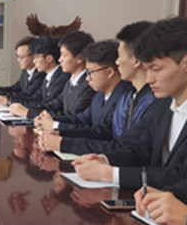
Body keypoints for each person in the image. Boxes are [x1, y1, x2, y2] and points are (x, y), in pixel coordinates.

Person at [73, 16, 187, 189]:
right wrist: (105, 159)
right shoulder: (163, 103)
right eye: (146, 69)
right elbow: (140, 149)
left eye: (156, 69)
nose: (149, 79)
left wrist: (110, 174)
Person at [40, 21, 155, 153]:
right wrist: (59, 131)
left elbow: (125, 146)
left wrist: (64, 142)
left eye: (120, 57)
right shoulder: (127, 97)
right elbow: (99, 129)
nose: (117, 62)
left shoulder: (145, 99)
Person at [35, 40, 132, 147]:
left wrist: (55, 125)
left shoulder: (125, 97)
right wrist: (49, 119)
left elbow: (100, 132)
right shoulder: (99, 96)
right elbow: (80, 119)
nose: (87, 78)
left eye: (90, 72)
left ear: (110, 72)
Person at [10, 31, 94, 118]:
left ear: (80, 58)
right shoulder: (71, 81)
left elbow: (72, 117)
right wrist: (24, 109)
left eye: (64, 55)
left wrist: (28, 112)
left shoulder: (88, 84)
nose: (60, 60)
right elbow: (53, 105)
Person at [0, 36, 45, 105]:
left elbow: (27, 94)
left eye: (22, 57)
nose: (19, 60)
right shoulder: (26, 71)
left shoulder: (41, 73)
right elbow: (16, 87)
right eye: (17, 57)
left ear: (34, 56)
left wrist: (2, 96)